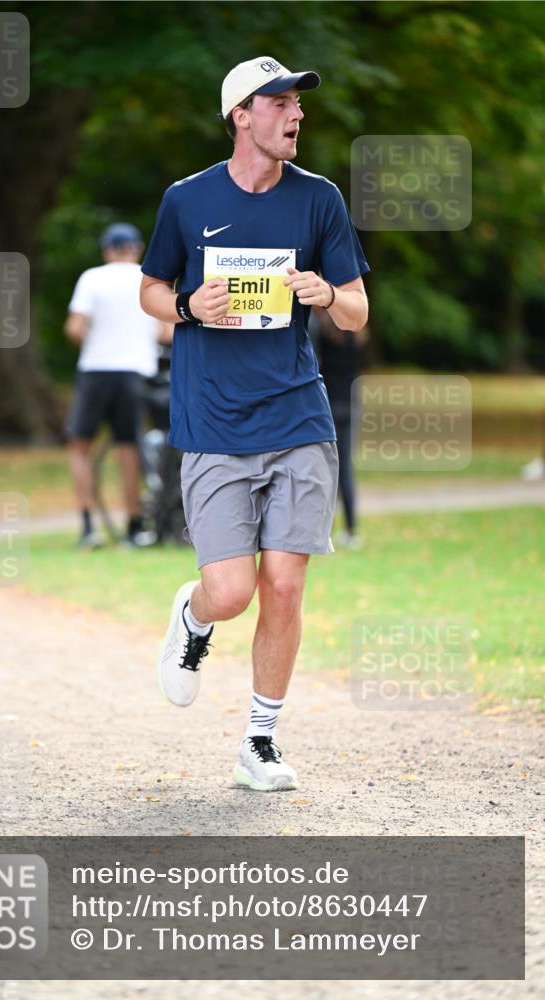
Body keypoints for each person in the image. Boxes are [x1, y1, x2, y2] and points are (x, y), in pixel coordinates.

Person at [140, 56, 370, 791]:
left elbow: (358, 311)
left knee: (285, 585)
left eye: (298, 103)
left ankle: (259, 742)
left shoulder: (319, 200)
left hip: (298, 415)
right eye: (279, 102)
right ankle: (194, 614)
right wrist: (184, 308)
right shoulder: (185, 199)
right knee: (232, 590)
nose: (295, 113)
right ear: (241, 114)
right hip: (211, 421)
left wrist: (325, 290)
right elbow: (149, 288)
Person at [65, 223, 168, 548]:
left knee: (79, 446)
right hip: (136, 371)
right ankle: (134, 526)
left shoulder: (92, 278)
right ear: (137, 249)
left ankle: (87, 526)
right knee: (129, 447)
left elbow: (75, 328)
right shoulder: (150, 279)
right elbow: (166, 333)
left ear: (108, 250)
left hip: (96, 370)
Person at [310, 304, 366, 548]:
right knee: (346, 472)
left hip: (328, 408)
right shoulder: (357, 336)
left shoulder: (319, 335)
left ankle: (326, 529)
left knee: (326, 471)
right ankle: (351, 530)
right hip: (350, 406)